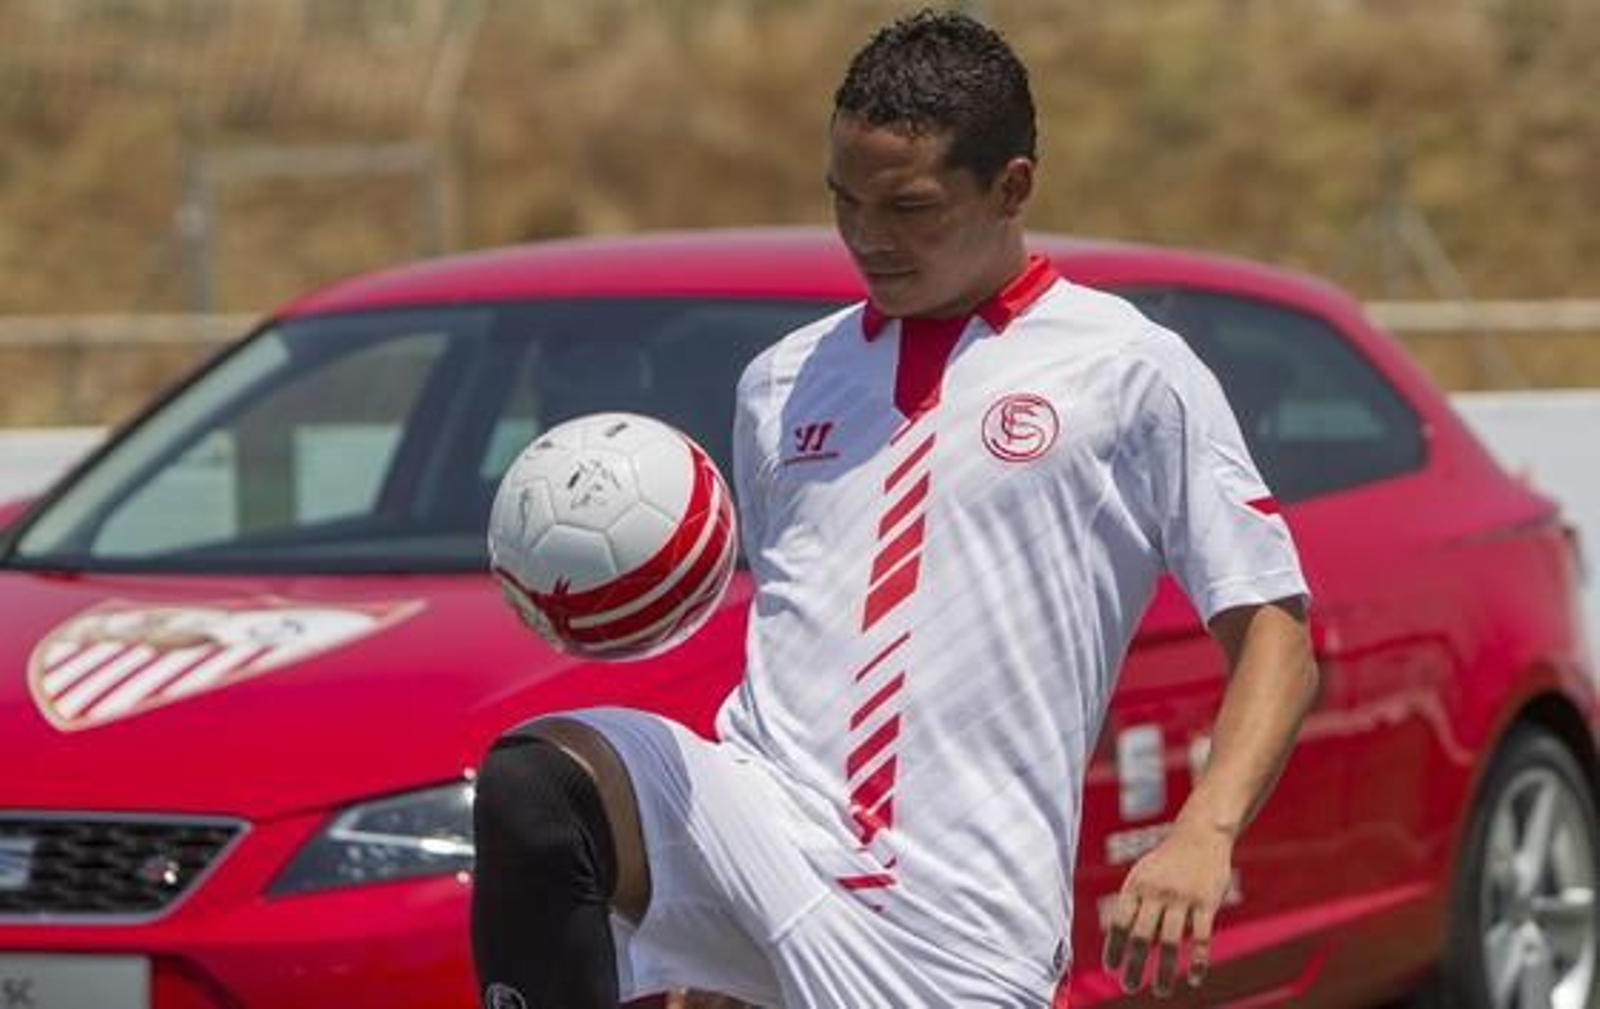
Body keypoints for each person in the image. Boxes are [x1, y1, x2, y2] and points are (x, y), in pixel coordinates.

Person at [470, 9, 1319, 1008]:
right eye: (844, 201)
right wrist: (722, 928)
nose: (868, 237)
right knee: (540, 784)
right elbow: (798, 640)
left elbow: (1276, 632)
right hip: (768, 827)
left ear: (1011, 187)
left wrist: (1203, 831)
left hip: (958, 922)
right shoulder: (781, 380)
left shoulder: (1130, 371)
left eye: (909, 206)